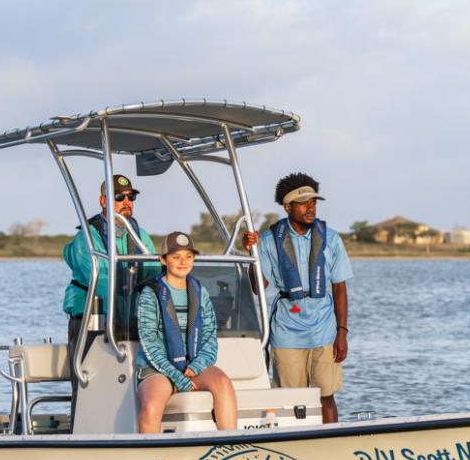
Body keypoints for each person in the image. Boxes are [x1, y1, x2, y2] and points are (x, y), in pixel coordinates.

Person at [243, 172, 352, 423]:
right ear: (288, 206)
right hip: (287, 332)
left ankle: (330, 445)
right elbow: (259, 286)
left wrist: (342, 332)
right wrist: (252, 254)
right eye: (303, 203)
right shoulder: (270, 240)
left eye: (313, 202)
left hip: (324, 330)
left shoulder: (331, 238)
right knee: (290, 400)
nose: (310, 207)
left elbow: (339, 287)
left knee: (326, 396)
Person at [135, 232, 238, 433]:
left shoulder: (200, 292)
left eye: (188, 257)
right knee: (151, 407)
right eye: (176, 257)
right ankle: (150, 457)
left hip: (192, 366)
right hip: (158, 369)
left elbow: (210, 338)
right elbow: (149, 343)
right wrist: (177, 376)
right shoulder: (150, 294)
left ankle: (233, 443)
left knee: (223, 383)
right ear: (163, 260)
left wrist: (197, 365)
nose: (183, 262)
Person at [62, 174, 158, 346]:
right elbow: (100, 282)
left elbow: (154, 274)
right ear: (104, 201)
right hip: (92, 322)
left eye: (131, 196)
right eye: (119, 197)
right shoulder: (86, 238)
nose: (126, 201)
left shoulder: (141, 235)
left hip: (133, 321)